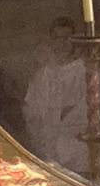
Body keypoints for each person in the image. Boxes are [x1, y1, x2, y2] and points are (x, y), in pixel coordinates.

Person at [22, 16, 89, 172]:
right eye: (58, 38)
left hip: (75, 145)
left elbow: (87, 107)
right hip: (47, 146)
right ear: (52, 41)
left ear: (73, 40)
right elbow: (31, 109)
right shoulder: (43, 75)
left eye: (67, 38)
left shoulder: (82, 71)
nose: (62, 43)